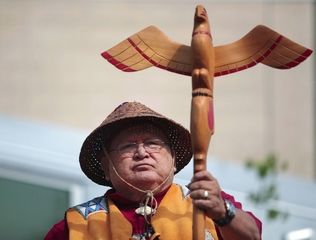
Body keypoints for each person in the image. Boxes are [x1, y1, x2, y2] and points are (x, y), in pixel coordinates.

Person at [45, 101, 262, 240]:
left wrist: (222, 212)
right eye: (128, 146)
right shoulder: (78, 224)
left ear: (174, 160)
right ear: (106, 167)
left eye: (153, 143)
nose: (142, 152)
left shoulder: (205, 203)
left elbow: (253, 237)